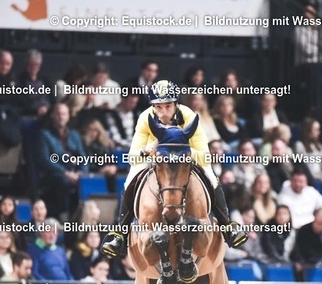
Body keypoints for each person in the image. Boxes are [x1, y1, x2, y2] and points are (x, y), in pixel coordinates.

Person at [101, 80, 248, 257]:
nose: (163, 112)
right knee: (131, 178)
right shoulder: (145, 118)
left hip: (186, 159)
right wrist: (147, 151)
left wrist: (182, 151)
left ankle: (227, 226)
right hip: (156, 159)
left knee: (210, 175)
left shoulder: (189, 117)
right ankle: (120, 234)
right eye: (158, 107)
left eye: (168, 106)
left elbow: (205, 156)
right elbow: (132, 157)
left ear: (176, 104)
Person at [36, 102, 88, 219]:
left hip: (74, 173)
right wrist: (65, 172)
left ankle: (83, 216)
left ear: (68, 116)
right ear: (53, 116)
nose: (61, 117)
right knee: (64, 181)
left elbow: (83, 156)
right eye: (58, 114)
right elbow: (45, 159)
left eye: (64, 114)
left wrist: (82, 171)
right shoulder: (44, 135)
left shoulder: (74, 135)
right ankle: (64, 214)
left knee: (87, 180)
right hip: (55, 173)